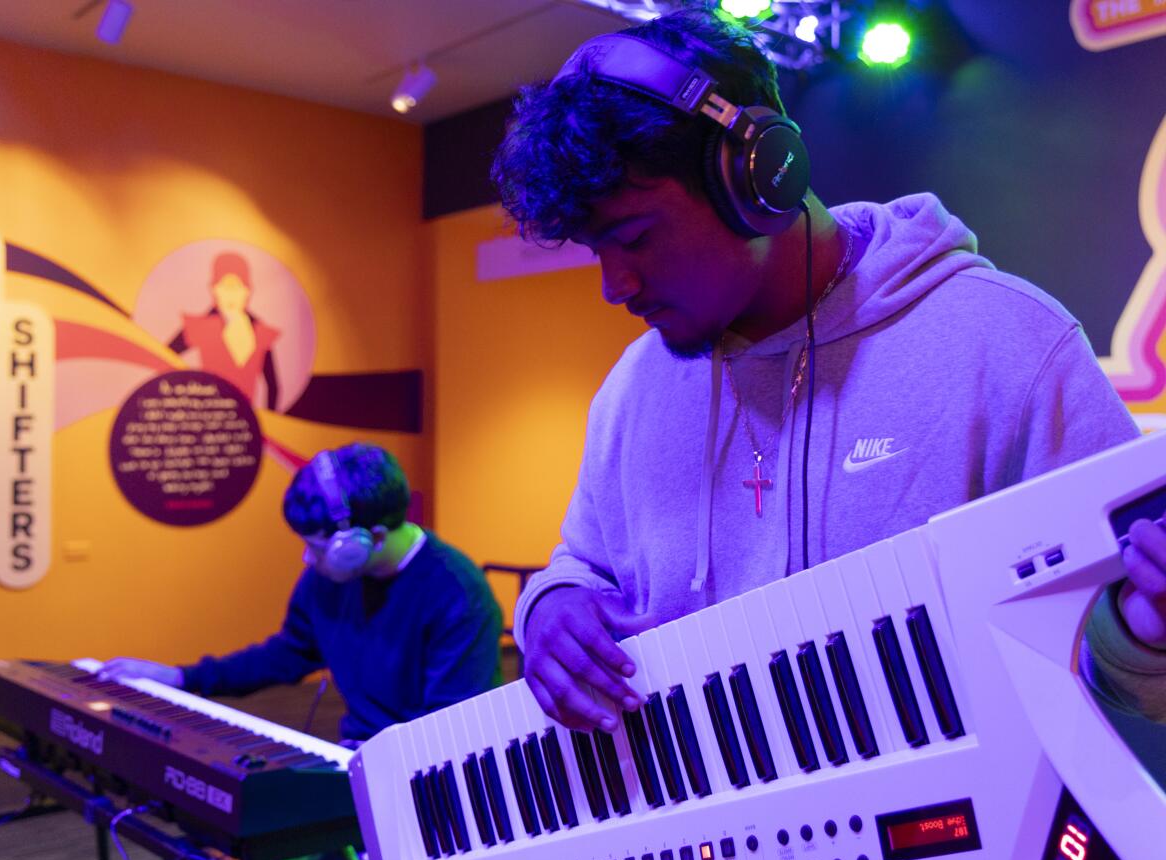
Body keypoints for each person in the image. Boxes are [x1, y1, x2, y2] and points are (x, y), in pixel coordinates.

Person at [489, 9, 1166, 733]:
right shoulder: (630, 391)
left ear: (756, 177)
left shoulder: (1009, 346)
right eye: (598, 251)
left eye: (636, 238)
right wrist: (551, 608)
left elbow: (1121, 678)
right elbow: (582, 564)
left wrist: (1146, 637)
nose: (615, 285)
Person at [100, 442, 504, 745]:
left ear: (369, 540)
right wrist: (180, 677)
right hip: (358, 756)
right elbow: (287, 655)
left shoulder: (457, 594)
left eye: (316, 546)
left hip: (419, 775)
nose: (307, 559)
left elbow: (452, 732)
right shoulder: (330, 579)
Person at [168, 251, 282, 409]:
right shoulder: (200, 327)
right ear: (214, 289)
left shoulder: (261, 332)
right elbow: (165, 356)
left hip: (246, 419)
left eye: (237, 287)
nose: (231, 295)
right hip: (209, 416)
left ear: (248, 291)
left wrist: (270, 423)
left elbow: (273, 385)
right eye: (225, 287)